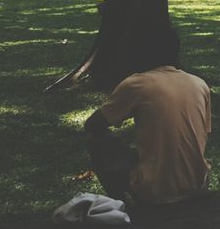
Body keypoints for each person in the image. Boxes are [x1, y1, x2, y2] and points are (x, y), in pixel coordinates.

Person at [83, 22, 212, 206]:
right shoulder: (199, 84)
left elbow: (93, 124)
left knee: (95, 139)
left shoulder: (137, 84)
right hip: (198, 185)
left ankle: (119, 203)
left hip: (154, 191)